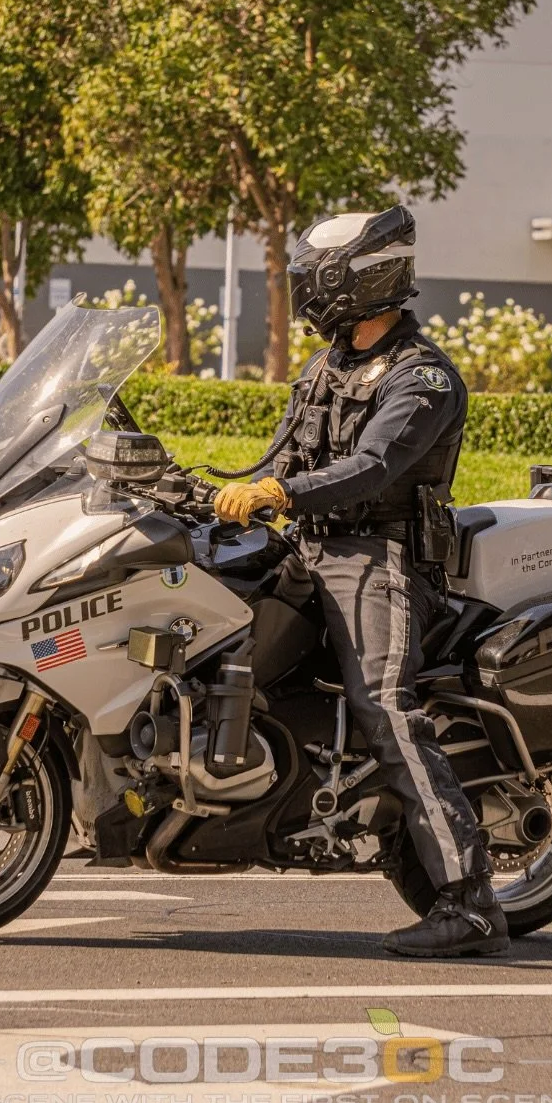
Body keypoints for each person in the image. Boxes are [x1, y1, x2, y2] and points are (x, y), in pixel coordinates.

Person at [213, 206, 507, 958]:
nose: (307, 288)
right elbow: (285, 459)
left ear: (364, 280)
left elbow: (373, 469)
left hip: (378, 559)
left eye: (319, 276)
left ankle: (469, 903)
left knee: (386, 706)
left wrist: (283, 495)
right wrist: (214, 489)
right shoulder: (328, 365)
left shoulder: (423, 377)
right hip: (309, 548)